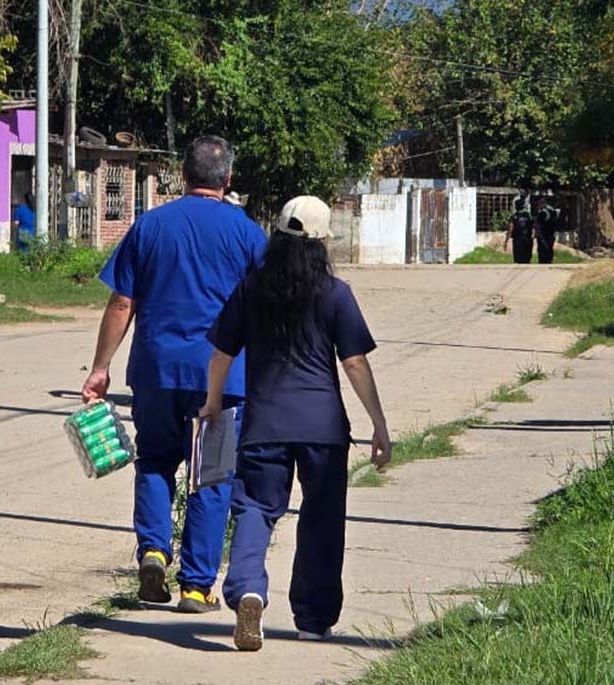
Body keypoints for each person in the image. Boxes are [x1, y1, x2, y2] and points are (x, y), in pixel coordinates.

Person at [81, 136, 265, 613]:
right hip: (222, 379)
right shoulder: (247, 233)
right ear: (228, 178)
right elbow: (267, 309)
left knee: (156, 462)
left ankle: (154, 552)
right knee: (211, 477)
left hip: (156, 371)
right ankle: (197, 587)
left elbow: (122, 302)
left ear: (183, 175)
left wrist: (100, 368)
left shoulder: (150, 225)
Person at [200, 196, 391, 652]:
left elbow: (221, 355)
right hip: (323, 428)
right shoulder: (335, 293)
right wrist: (379, 424)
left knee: (255, 508)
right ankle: (313, 618)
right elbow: (355, 363)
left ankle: (248, 588)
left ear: (278, 237)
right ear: (322, 242)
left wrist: (212, 403)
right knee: (322, 518)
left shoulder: (252, 289)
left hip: (264, 424)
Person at [504, 194, 534, 264]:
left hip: (518, 240)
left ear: (516, 206)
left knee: (518, 260)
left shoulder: (514, 216)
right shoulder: (528, 215)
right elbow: (533, 225)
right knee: (527, 260)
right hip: (527, 239)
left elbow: (510, 229)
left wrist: (506, 241)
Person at [533, 196, 558, 264]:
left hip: (544, 235)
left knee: (543, 254)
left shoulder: (543, 212)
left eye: (538, 204)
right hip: (551, 234)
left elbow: (537, 224)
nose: (537, 206)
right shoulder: (553, 210)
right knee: (549, 251)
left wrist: (538, 234)